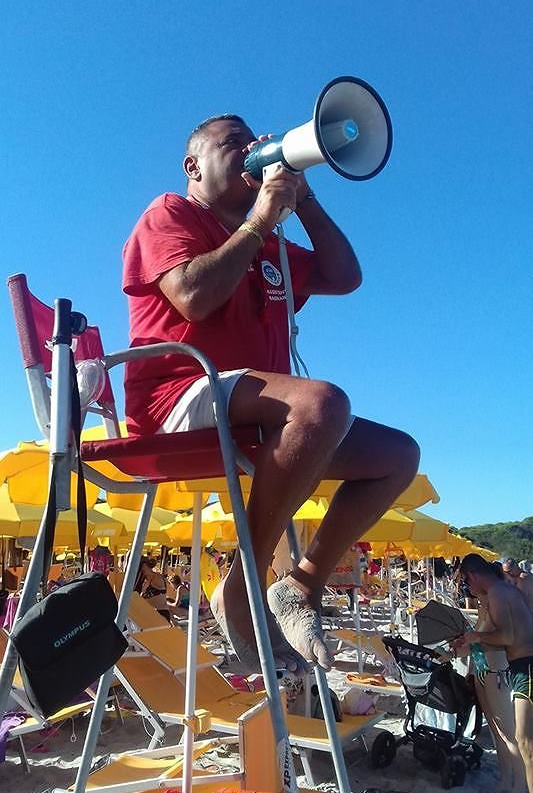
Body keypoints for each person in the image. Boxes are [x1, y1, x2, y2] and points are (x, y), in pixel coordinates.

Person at [122, 113, 420, 672]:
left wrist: (302, 200)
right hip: (180, 396)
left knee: (397, 456)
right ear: (193, 166)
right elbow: (191, 296)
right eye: (233, 143)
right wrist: (260, 217)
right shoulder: (170, 212)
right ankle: (248, 583)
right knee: (322, 402)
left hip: (257, 410)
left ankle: (300, 585)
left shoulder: (271, 245)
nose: (251, 149)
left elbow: (346, 275)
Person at [454, 553, 533, 793]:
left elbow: (506, 636)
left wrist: (476, 638)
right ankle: (516, 790)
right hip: (516, 664)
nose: (468, 588)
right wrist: (471, 640)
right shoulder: (500, 592)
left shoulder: (498, 592)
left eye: (466, 581)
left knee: (522, 738)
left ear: (472, 575)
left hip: (522, 665)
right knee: (517, 737)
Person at [134, 555, 171, 622]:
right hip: (154, 613)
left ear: (145, 566)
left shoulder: (156, 577)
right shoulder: (146, 579)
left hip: (161, 613)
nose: (141, 570)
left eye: (142, 568)